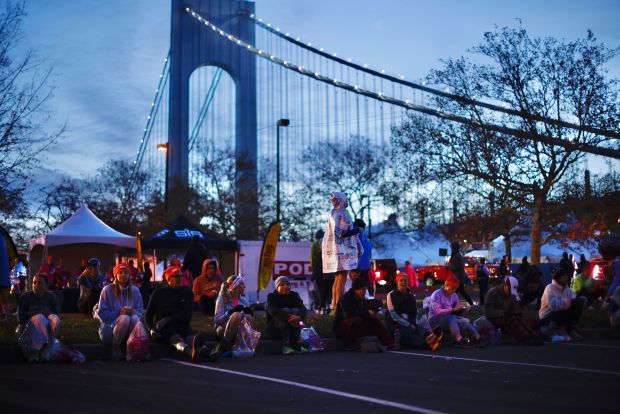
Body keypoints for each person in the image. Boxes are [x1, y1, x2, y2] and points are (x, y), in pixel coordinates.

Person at [144, 266, 206, 362]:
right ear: (168, 279)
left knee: (191, 338)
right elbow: (148, 316)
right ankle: (190, 352)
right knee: (176, 338)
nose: (180, 279)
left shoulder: (187, 293)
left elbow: (187, 315)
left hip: (182, 325)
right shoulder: (158, 294)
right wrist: (151, 329)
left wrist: (168, 319)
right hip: (165, 329)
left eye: (181, 276)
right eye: (176, 276)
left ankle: (205, 350)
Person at [95, 263, 144, 361]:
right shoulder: (107, 290)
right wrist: (119, 313)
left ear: (129, 275)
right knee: (124, 318)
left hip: (129, 329)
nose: (123, 275)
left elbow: (140, 310)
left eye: (126, 273)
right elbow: (102, 313)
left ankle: (134, 348)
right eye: (120, 272)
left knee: (134, 317)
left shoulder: (135, 290)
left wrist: (133, 312)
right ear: (115, 275)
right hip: (109, 330)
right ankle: (115, 348)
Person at [322, 192, 362, 313]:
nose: (348, 201)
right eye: (346, 199)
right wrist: (356, 230)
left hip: (337, 250)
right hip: (342, 251)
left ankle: (334, 305)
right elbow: (341, 233)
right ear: (342, 200)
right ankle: (338, 307)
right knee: (341, 279)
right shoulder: (341, 213)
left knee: (338, 279)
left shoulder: (334, 213)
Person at [333, 277, 397, 351]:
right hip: (342, 328)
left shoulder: (361, 299)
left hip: (357, 326)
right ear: (356, 289)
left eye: (365, 289)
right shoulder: (346, 298)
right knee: (357, 319)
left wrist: (371, 314)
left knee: (374, 320)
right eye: (363, 289)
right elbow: (348, 315)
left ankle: (389, 343)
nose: (364, 292)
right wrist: (367, 313)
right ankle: (348, 344)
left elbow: (363, 312)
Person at [386, 273, 441, 351]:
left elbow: (414, 312)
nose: (403, 282)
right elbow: (394, 315)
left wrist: (412, 323)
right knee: (407, 334)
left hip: (408, 322)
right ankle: (427, 344)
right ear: (397, 282)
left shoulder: (411, 296)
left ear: (408, 282)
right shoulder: (391, 295)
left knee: (418, 328)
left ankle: (431, 337)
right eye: (401, 280)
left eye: (405, 280)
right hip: (395, 323)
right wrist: (408, 324)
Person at [428, 276, 486, 348]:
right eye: (452, 288)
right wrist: (452, 309)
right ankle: (458, 339)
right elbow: (437, 311)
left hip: (449, 318)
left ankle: (477, 337)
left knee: (464, 321)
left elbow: (457, 307)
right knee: (451, 317)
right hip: (435, 320)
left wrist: (462, 308)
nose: (454, 290)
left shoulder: (454, 295)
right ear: (446, 286)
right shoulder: (436, 294)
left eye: (455, 289)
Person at [484, 276, 543, 345]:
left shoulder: (512, 295)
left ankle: (531, 335)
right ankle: (524, 337)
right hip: (495, 317)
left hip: (507, 315)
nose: (510, 293)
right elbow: (488, 311)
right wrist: (502, 312)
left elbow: (514, 309)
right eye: (510, 290)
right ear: (505, 285)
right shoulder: (493, 293)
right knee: (512, 319)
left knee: (518, 318)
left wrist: (517, 312)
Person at [209, 275, 254, 361]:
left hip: (239, 331)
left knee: (248, 316)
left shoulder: (244, 300)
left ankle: (245, 346)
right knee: (237, 315)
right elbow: (217, 320)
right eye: (241, 284)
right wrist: (230, 312)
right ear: (234, 286)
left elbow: (248, 322)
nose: (244, 286)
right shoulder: (222, 299)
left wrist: (250, 314)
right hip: (223, 328)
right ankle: (222, 347)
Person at [16, 274, 60, 362]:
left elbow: (55, 314)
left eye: (40, 283)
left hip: (45, 327)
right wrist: (38, 313)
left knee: (55, 319)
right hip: (28, 329)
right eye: (34, 283)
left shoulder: (51, 297)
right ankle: (34, 353)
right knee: (39, 318)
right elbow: (21, 320)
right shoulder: (25, 297)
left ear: (46, 286)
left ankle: (46, 350)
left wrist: (46, 314)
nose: (36, 285)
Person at [539, 268, 586, 341]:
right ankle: (561, 330)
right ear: (558, 278)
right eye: (564, 277)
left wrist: (578, 300)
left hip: (561, 314)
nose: (566, 279)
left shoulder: (566, 289)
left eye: (566, 277)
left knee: (578, 302)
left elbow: (573, 298)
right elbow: (554, 306)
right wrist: (567, 301)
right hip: (548, 316)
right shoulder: (550, 288)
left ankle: (570, 327)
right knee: (565, 306)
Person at [266, 276, 308, 354]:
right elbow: (273, 311)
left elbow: (303, 309)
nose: (286, 286)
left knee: (296, 310)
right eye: (282, 285)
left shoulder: (294, 295)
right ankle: (286, 345)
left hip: (293, 327)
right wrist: (290, 318)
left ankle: (296, 344)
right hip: (276, 329)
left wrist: (299, 317)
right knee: (285, 310)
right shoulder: (271, 296)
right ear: (277, 287)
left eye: (287, 284)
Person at [354, 219, 373, 293]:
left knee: (359, 286)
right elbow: (369, 248)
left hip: (358, 266)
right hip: (362, 267)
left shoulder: (357, 235)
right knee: (362, 286)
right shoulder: (363, 236)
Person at [310, 229, 327, 313]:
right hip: (326, 270)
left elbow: (312, 258)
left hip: (318, 270)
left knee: (318, 290)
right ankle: (325, 306)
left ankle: (319, 306)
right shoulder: (327, 243)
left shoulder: (314, 244)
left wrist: (313, 270)